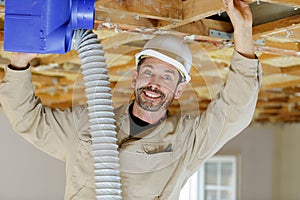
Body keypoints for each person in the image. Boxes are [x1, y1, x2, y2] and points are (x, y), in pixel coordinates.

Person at [0, 0, 261, 199]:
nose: (155, 83)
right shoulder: (87, 123)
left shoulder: (186, 142)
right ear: (135, 78)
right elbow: (27, 120)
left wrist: (243, 34)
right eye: (149, 72)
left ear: (179, 90)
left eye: (167, 77)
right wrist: (19, 63)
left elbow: (235, 112)